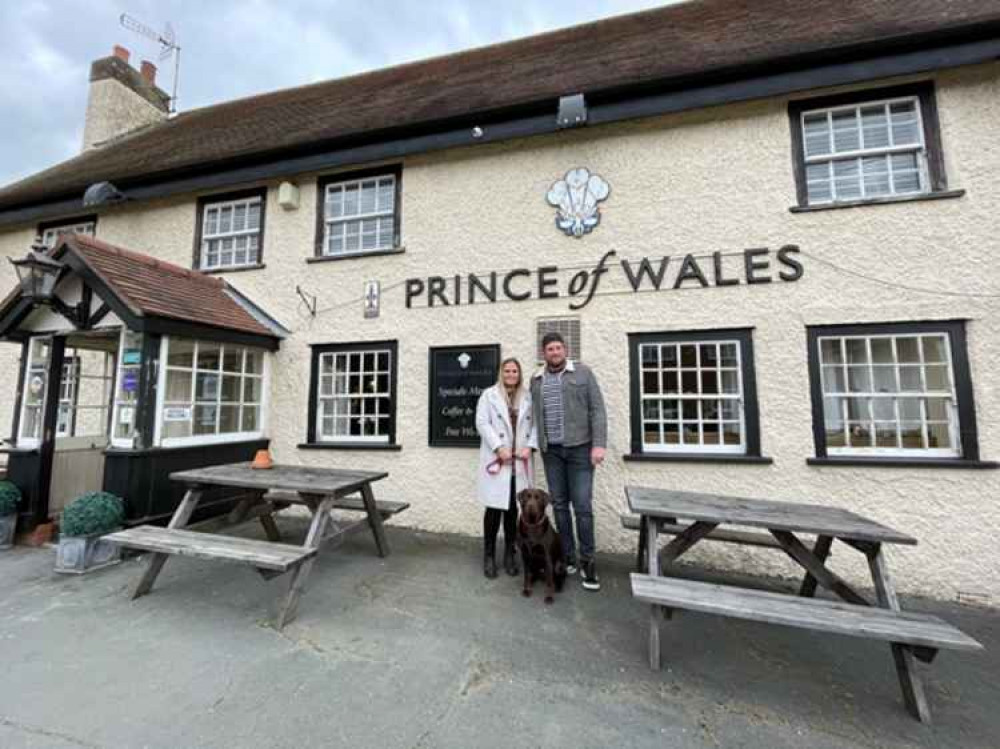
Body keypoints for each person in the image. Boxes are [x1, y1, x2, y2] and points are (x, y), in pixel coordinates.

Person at [530, 332, 607, 591]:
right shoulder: (537, 380)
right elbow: (534, 416)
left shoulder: (583, 373)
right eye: (550, 349)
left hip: (580, 450)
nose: (554, 352)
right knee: (560, 506)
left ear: (565, 350)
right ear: (544, 354)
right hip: (551, 452)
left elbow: (597, 410)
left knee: (582, 507)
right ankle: (568, 556)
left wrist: (599, 444)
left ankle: (589, 562)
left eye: (558, 348)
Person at [475, 357, 537, 579]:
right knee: (493, 510)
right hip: (498, 459)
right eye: (507, 371)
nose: (511, 375)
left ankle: (510, 554)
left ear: (519, 374)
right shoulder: (488, 395)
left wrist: (530, 446)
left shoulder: (528, 396)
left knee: (513, 510)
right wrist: (498, 446)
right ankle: (489, 555)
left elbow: (536, 425)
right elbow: (482, 423)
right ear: (501, 373)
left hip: (518, 462)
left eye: (515, 371)